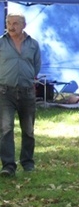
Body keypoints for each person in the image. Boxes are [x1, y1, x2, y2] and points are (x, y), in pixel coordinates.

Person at [0, 13, 41, 177]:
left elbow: (37, 65)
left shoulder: (33, 44)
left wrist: (27, 77)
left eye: (15, 23)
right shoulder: (1, 43)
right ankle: (8, 166)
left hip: (27, 92)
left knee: (29, 130)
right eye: (9, 23)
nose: (11, 26)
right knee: (5, 129)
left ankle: (27, 162)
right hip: (4, 92)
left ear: (24, 25)